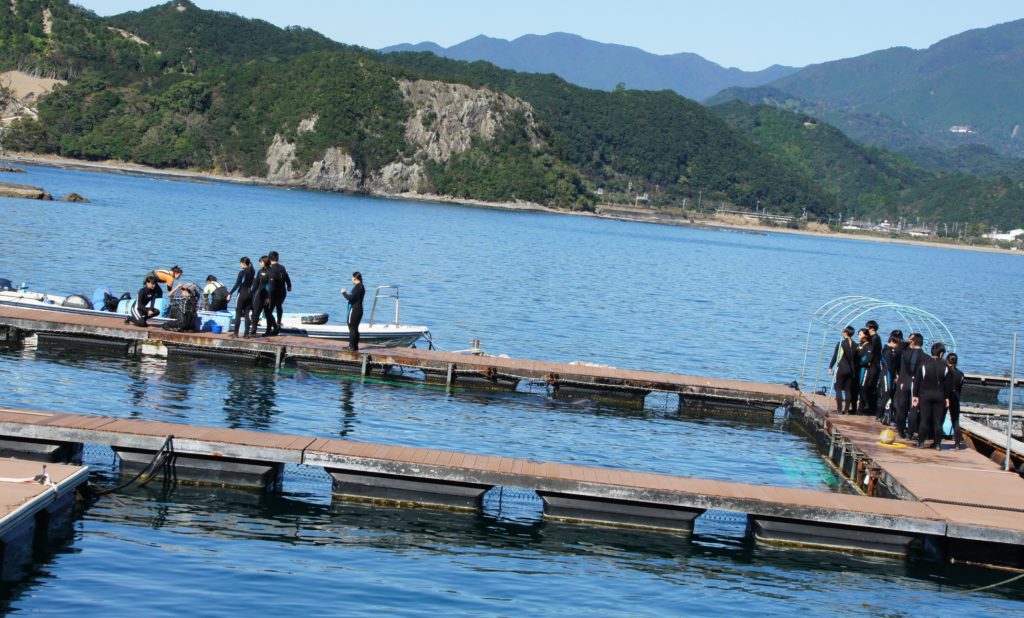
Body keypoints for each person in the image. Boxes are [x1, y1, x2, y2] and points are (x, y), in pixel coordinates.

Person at [913, 342, 949, 449]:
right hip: (940, 396)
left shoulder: (924, 365)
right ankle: (937, 444)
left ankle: (921, 442)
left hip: (925, 395)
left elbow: (917, 381)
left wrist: (915, 395)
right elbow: (948, 385)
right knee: (938, 421)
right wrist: (947, 397)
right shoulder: (945, 367)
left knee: (924, 420)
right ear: (941, 354)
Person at [893, 333, 923, 439]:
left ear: (912, 342)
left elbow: (898, 349)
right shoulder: (926, 357)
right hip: (917, 384)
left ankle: (901, 431)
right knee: (913, 408)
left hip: (904, 382)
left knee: (902, 408)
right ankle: (910, 432)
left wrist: (906, 341)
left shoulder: (905, 354)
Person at [828, 326, 857, 415]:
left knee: (838, 389)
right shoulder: (855, 344)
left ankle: (840, 410)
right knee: (848, 390)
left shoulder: (841, 343)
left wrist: (830, 367)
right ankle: (847, 410)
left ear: (845, 333)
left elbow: (835, 356)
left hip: (842, 368)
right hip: (851, 370)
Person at [877, 330, 903, 423]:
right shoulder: (886, 351)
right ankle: (879, 414)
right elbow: (889, 365)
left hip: (890, 374)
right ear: (892, 342)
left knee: (889, 394)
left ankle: (884, 414)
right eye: (897, 344)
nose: (897, 347)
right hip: (886, 374)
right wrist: (895, 375)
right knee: (886, 393)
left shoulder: (892, 351)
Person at [227, 257, 255, 338]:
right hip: (249, 294)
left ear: (243, 263)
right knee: (247, 314)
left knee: (238, 314)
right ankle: (246, 334)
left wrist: (230, 293)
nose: (240, 265)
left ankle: (235, 333)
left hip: (242, 294)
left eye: (240, 263)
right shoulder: (252, 271)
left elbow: (237, 284)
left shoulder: (242, 273)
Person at [249, 256, 275, 337]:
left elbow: (271, 286)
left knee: (267, 314)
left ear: (265, 262)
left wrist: (268, 297)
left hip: (267, 296)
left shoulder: (271, 272)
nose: (259, 263)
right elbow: (256, 283)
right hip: (259, 295)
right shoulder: (260, 271)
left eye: (261, 262)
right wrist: (250, 293)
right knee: (255, 313)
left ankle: (268, 330)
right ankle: (253, 331)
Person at [267, 250, 292, 335]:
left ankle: (273, 326)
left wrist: (268, 296)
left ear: (270, 259)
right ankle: (278, 322)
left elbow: (271, 284)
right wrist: (289, 286)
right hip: (283, 292)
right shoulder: (283, 267)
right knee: (279, 306)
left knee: (269, 310)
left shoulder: (270, 269)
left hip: (274, 292)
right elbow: (287, 277)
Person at [861, 320, 882, 416]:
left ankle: (871, 407)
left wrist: (862, 363)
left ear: (872, 328)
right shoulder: (873, 338)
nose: (866, 330)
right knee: (868, 386)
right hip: (873, 364)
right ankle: (868, 406)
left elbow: (872, 353)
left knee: (869, 386)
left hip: (874, 365)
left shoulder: (875, 338)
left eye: (867, 328)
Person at [946, 353, 967, 449]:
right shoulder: (961, 374)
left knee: (939, 418)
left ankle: (935, 440)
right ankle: (957, 442)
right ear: (956, 362)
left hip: (945, 397)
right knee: (955, 420)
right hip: (956, 398)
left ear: (947, 361)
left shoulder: (946, 371)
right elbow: (960, 387)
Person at [341, 271, 365, 351]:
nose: (351, 279)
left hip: (355, 310)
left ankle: (351, 346)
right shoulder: (362, 286)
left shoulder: (357, 287)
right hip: (359, 310)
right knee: (355, 328)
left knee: (352, 328)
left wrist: (344, 293)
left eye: (352, 278)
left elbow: (350, 298)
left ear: (355, 278)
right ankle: (355, 346)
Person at [854, 328, 873, 414]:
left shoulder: (868, 346)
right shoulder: (859, 345)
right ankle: (857, 408)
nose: (859, 336)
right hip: (858, 369)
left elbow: (869, 358)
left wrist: (860, 363)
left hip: (864, 369)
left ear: (866, 336)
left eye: (860, 334)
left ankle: (866, 406)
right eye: (858, 334)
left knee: (862, 388)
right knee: (857, 388)